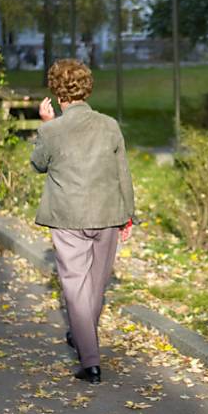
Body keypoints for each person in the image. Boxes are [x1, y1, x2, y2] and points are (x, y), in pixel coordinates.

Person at [31, 59, 135, 385]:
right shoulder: (109, 125)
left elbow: (38, 164)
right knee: (96, 283)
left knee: (75, 286)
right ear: (87, 87)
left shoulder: (51, 129)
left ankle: (89, 360)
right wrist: (128, 215)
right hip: (107, 214)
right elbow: (123, 175)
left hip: (67, 216)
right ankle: (85, 337)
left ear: (57, 92)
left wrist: (46, 123)